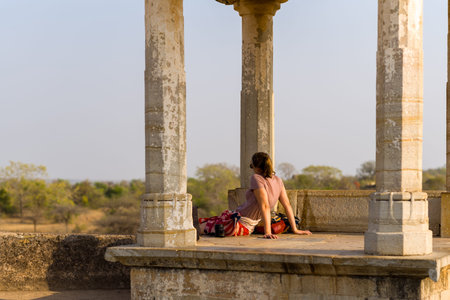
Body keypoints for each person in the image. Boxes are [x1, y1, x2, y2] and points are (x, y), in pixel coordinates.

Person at [199, 152, 312, 239]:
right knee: (200, 223)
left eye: (251, 166)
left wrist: (267, 232)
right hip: (240, 219)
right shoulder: (278, 180)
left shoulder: (256, 178)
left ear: (256, 167)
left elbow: (264, 205)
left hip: (242, 223)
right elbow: (287, 205)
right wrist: (295, 229)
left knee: (199, 228)